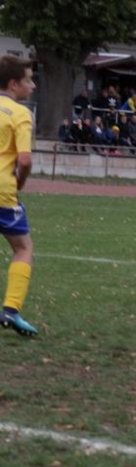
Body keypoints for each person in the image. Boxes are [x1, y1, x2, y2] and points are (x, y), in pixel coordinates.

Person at [0, 55, 38, 337]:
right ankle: (11, 310)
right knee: (23, 248)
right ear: (14, 84)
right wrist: (20, 183)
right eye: (28, 80)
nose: (33, 85)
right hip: (3, 192)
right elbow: (24, 160)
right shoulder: (20, 113)